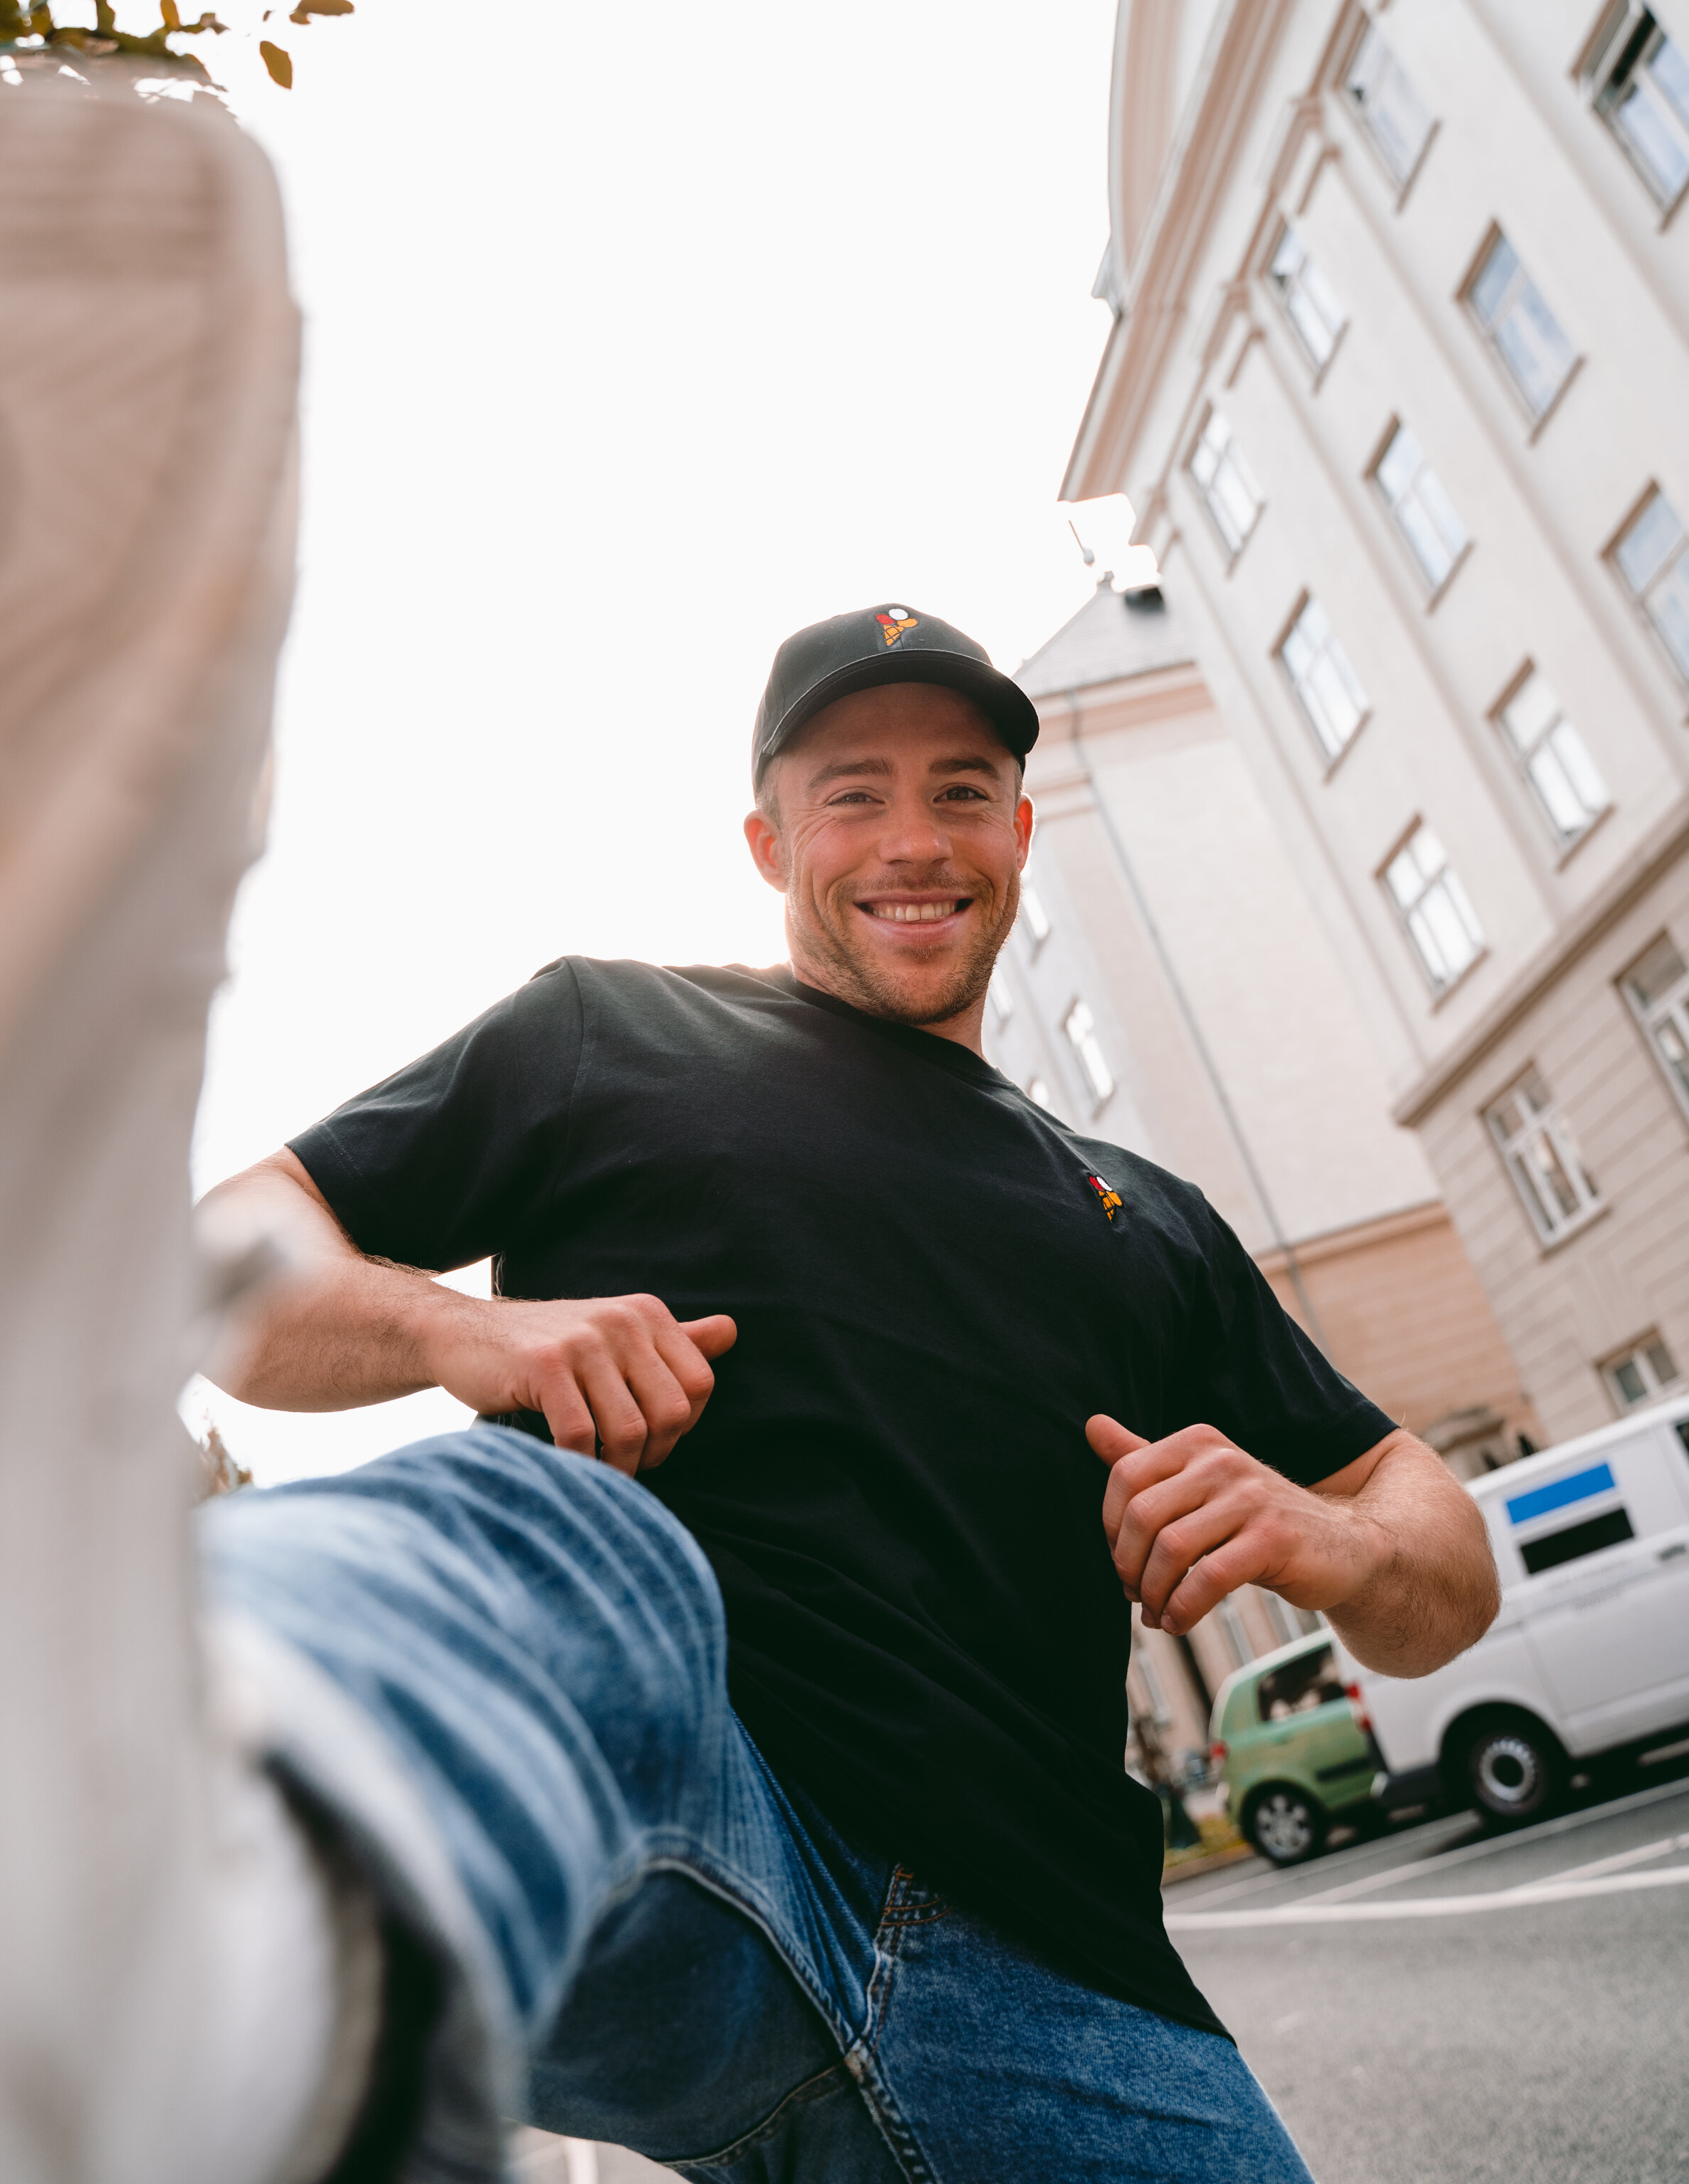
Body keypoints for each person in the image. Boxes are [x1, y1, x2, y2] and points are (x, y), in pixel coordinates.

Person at [196, 600, 1500, 2181]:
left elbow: (1442, 1565)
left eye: (960, 792)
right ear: (768, 843)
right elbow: (227, 1264)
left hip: (1063, 1975)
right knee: (541, 1523)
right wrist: (465, 1333)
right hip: (697, 1803)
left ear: (1018, 832)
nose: (914, 841)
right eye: (853, 794)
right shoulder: (608, 1031)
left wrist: (1325, 1534)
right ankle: (165, 1788)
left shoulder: (1141, 1215)